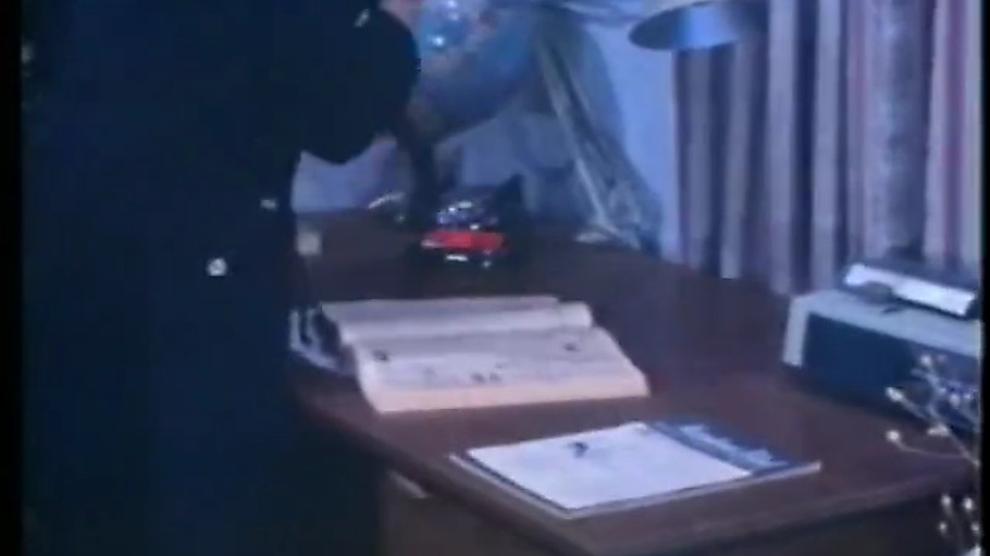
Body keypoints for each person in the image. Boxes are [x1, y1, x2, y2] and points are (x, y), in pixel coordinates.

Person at [22, 1, 419, 554]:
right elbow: (340, 112)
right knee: (188, 510)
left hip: (71, 236)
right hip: (188, 280)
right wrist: (395, 14)